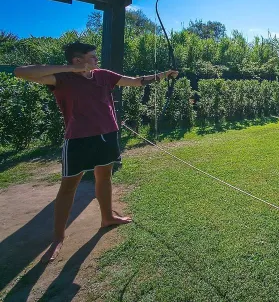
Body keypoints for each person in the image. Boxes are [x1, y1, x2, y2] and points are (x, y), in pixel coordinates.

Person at [14, 41, 178, 262]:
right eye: (92, 57)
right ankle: (58, 237)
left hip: (107, 135)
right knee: (68, 187)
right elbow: (21, 72)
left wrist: (163, 75)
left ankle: (107, 217)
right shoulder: (62, 78)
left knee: (105, 178)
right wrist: (71, 70)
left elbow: (136, 82)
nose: (96, 60)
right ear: (77, 60)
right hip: (78, 139)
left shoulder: (102, 75)